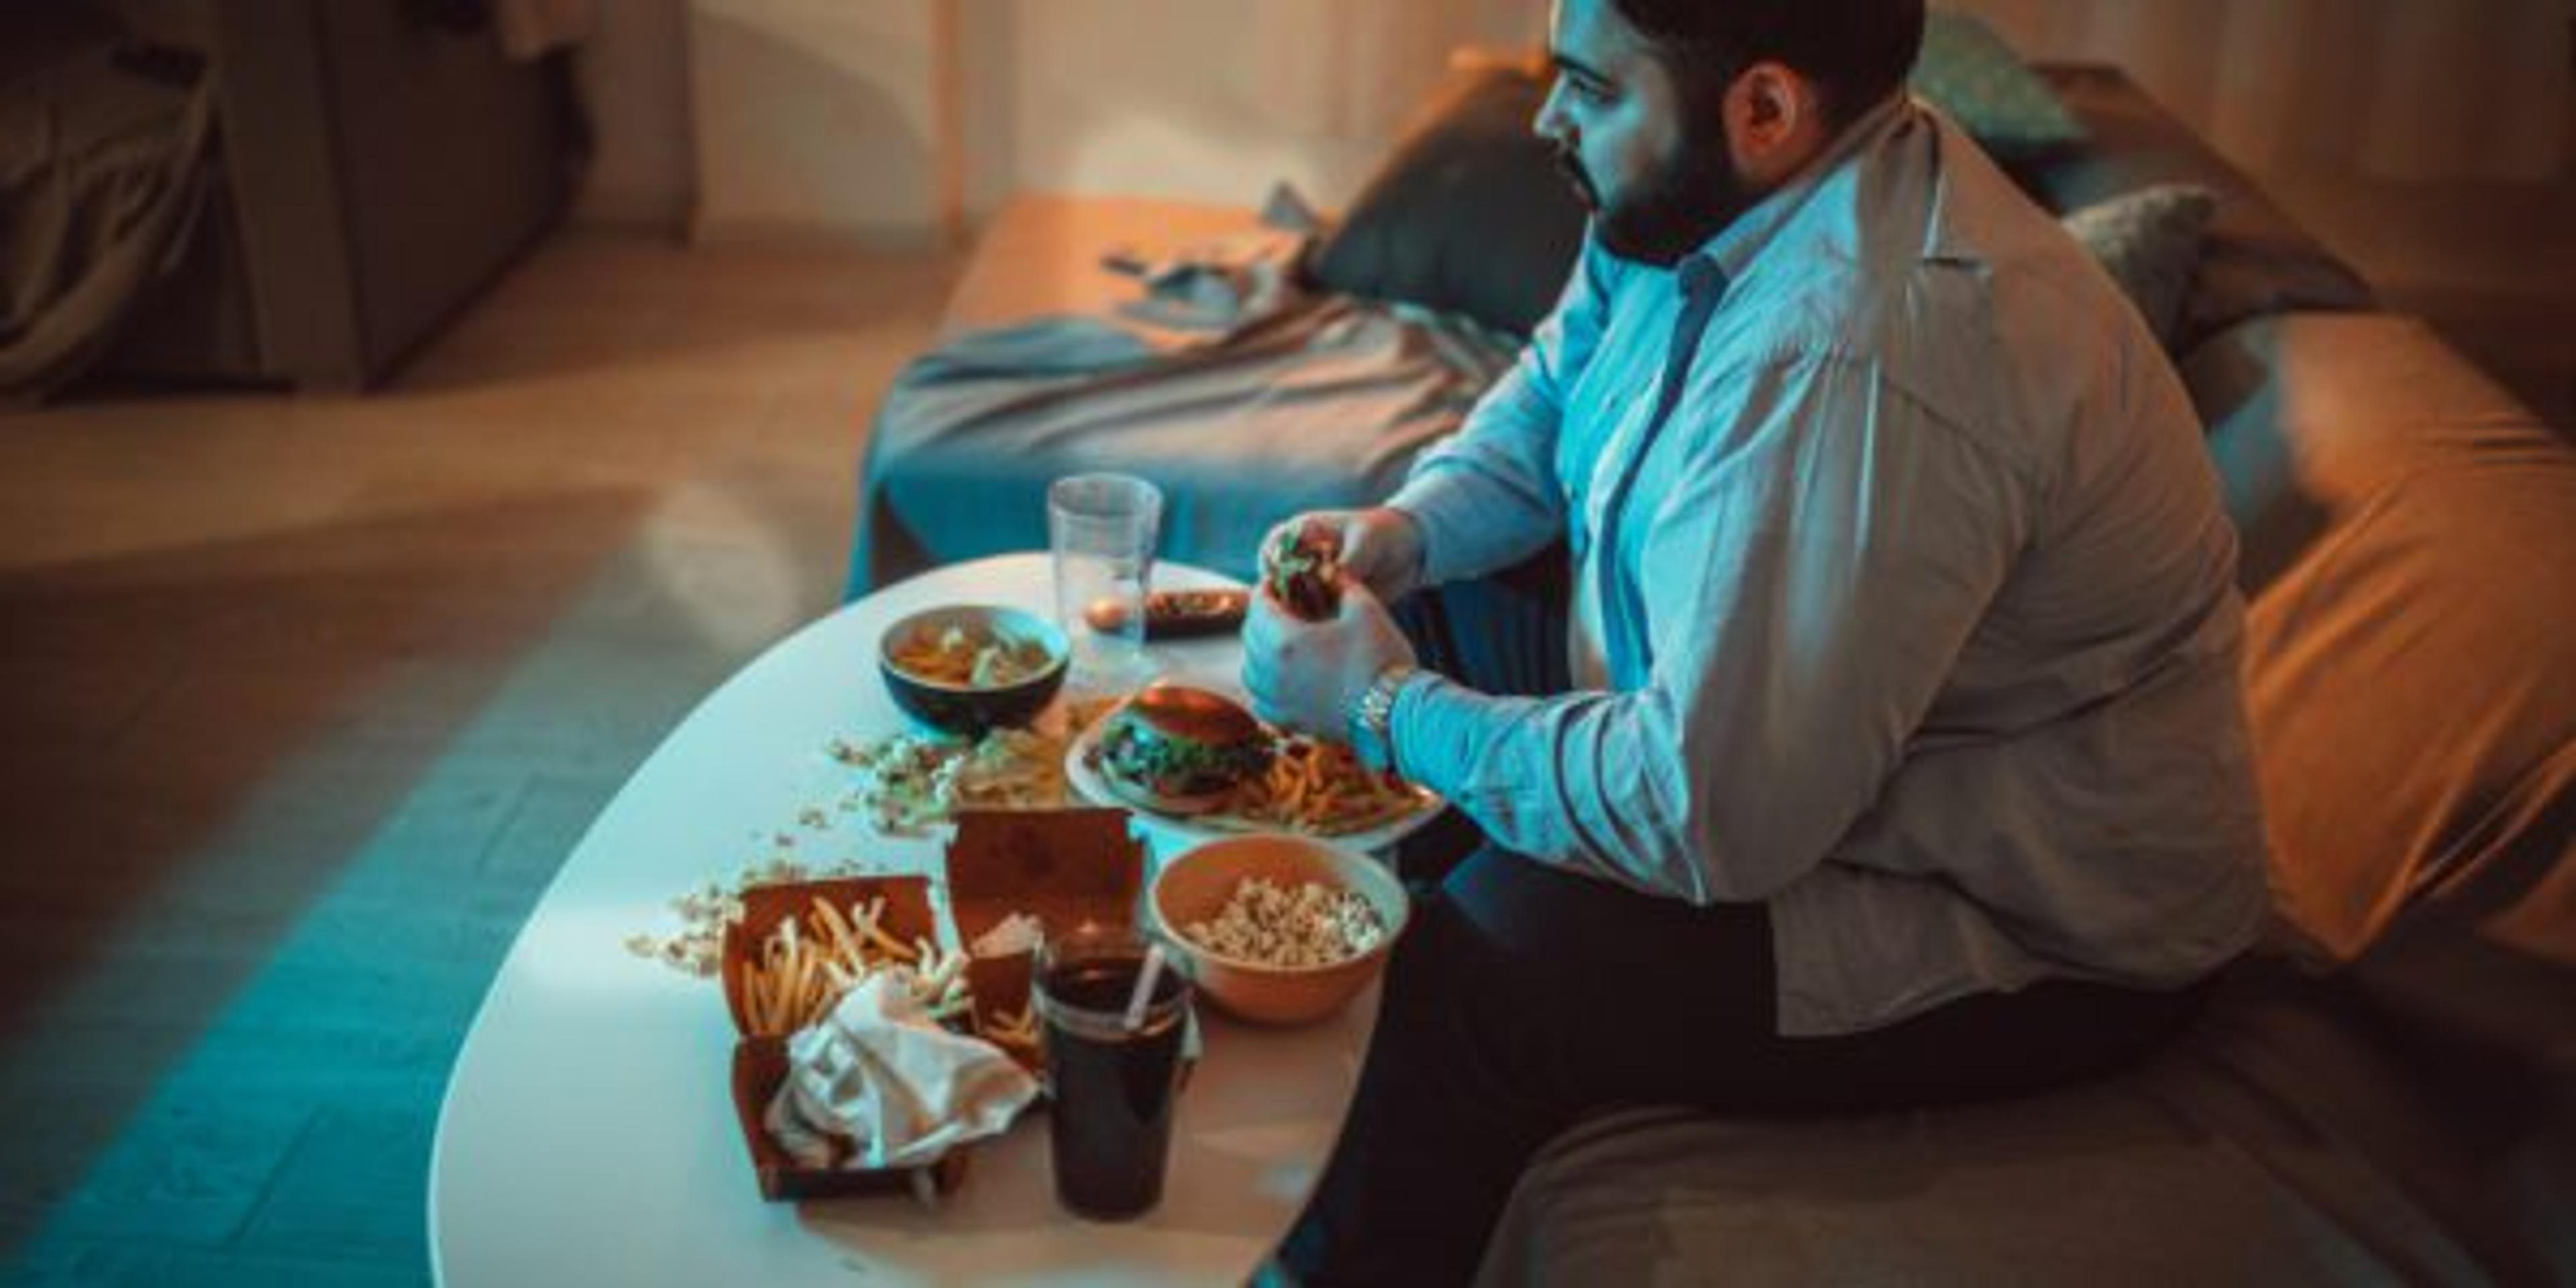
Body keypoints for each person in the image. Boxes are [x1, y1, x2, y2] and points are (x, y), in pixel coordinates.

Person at [1238, 0, 2270, 1282]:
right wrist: (1406, 531)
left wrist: (1390, 709)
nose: (1549, 117)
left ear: (1766, 108)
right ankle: (1324, 1016)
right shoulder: (1729, 189)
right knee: (1416, 603)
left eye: (1589, 89)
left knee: (1489, 955)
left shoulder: (1860, 359)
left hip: (2034, 922)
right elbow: (1561, 380)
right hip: (1805, 755)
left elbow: (1709, 812)